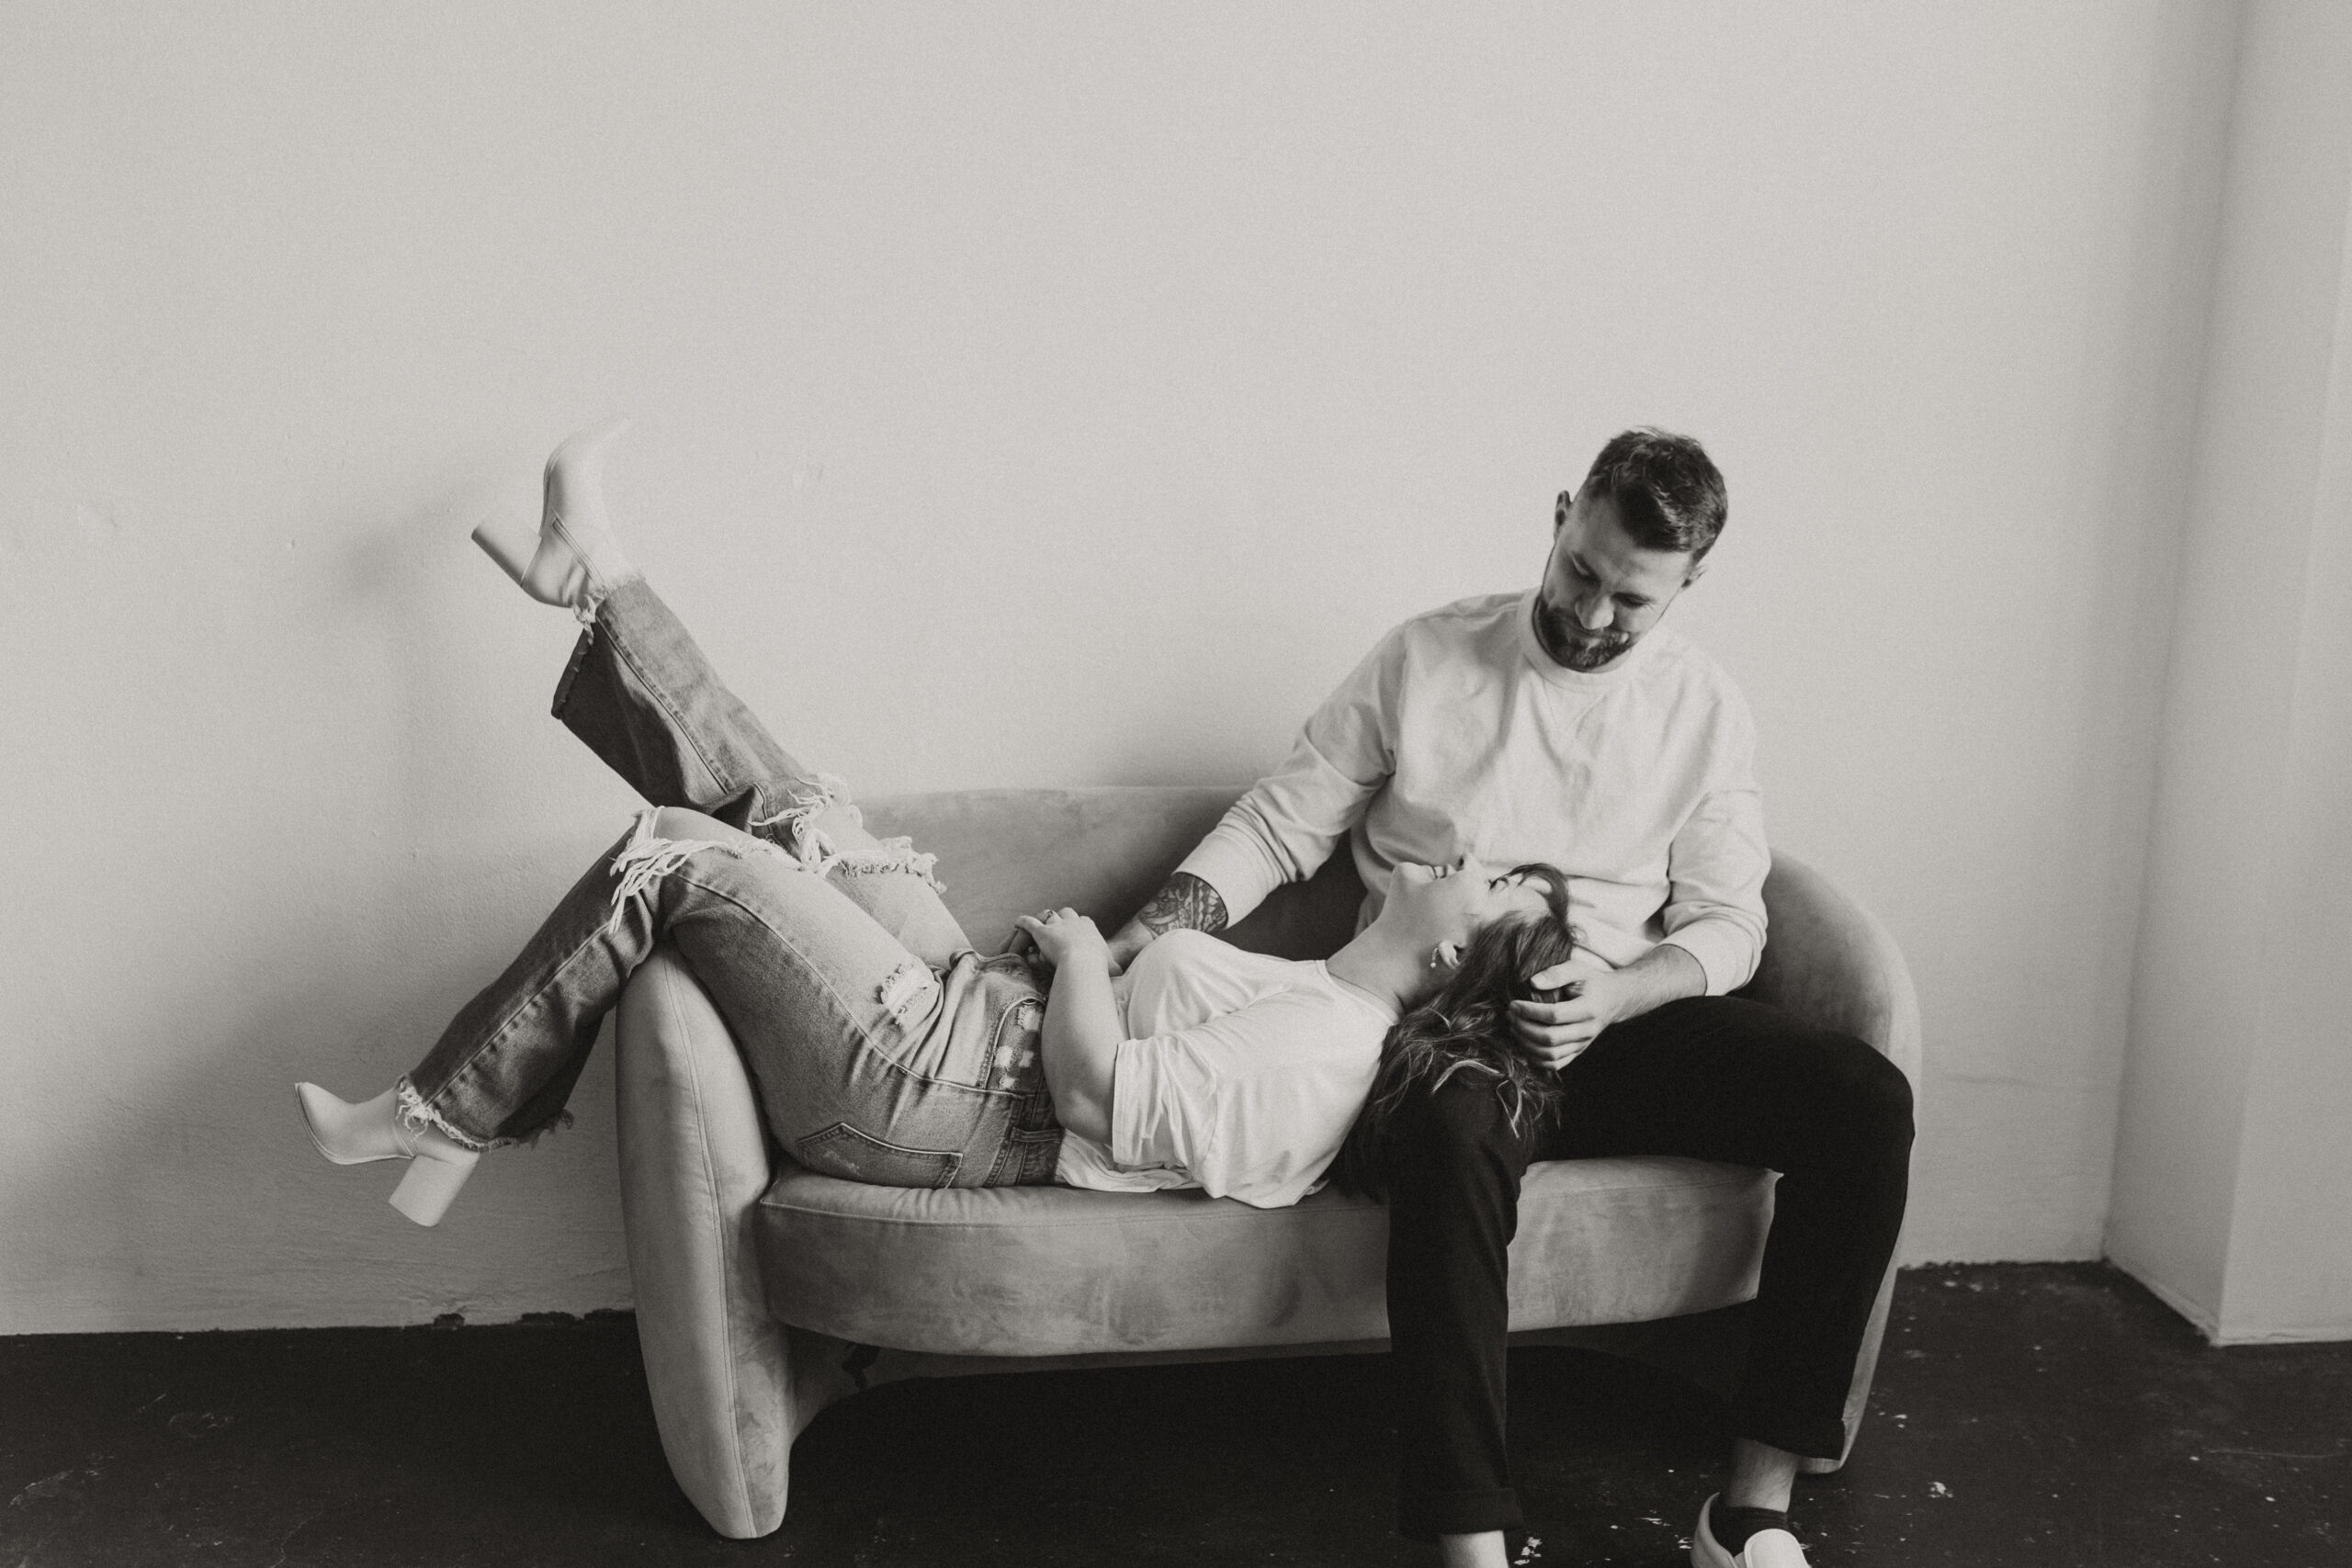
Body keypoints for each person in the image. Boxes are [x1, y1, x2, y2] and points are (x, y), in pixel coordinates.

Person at [294, 426, 1577, 1238]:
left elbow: (1094, 1098)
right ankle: (598, 583)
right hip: (973, 1012)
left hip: (944, 1097)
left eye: (1495, 886)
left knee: (683, 849)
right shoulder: (1321, 996)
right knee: (800, 812)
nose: (1472, 854)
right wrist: (1066, 971)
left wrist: (1084, 959)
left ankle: (442, 1113)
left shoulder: (1322, 1055)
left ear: (1455, 965)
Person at [1105, 429, 1917, 1568]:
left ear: (1687, 585)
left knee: (1860, 1099)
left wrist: (1622, 992)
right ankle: (1469, 1542)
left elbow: (1731, 926)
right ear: (1558, 517)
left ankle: (1750, 1511)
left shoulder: (1704, 708)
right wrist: (1140, 934)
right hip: (1436, 1026)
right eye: (1580, 573)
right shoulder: (1426, 656)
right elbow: (1282, 822)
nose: (1591, 617)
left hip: (1613, 1020)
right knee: (1450, 1129)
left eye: (1631, 600)